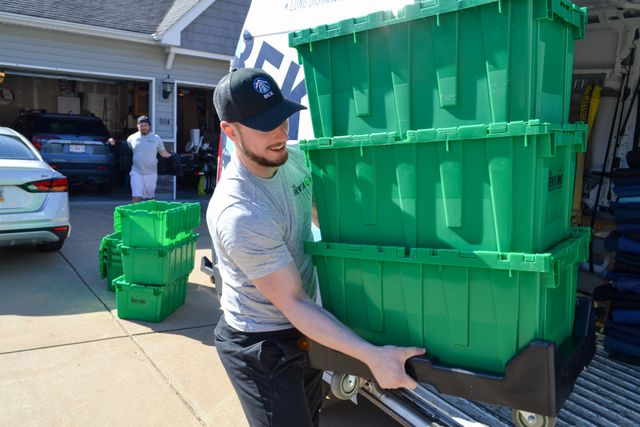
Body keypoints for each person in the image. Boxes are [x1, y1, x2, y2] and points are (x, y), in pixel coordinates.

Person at [207, 67, 425, 427]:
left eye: (282, 120)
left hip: (304, 330)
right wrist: (372, 356)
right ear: (230, 131)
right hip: (261, 347)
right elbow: (294, 301)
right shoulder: (240, 211)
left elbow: (319, 212)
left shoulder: (290, 159)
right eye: (264, 126)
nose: (279, 134)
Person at [108, 115, 172, 202]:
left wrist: (175, 157)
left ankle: (150, 215)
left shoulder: (156, 138)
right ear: (137, 126)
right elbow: (124, 152)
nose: (143, 127)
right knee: (136, 197)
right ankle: (137, 215)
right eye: (141, 125)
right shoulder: (131, 138)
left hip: (151, 173)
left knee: (150, 198)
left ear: (149, 126)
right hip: (136, 172)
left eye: (145, 125)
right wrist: (113, 144)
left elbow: (163, 153)